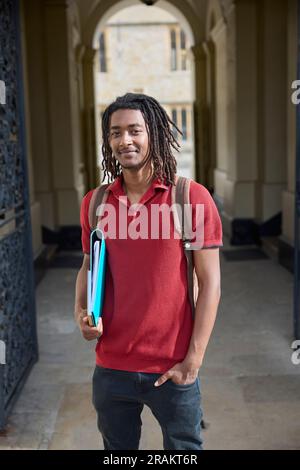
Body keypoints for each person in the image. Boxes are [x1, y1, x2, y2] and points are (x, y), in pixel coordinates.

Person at [74, 93, 222, 450]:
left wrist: (193, 361)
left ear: (153, 133)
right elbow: (87, 265)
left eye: (134, 130)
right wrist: (81, 312)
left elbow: (211, 283)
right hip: (111, 366)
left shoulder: (189, 197)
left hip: (172, 366)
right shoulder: (96, 202)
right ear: (108, 142)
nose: (125, 140)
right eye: (115, 133)